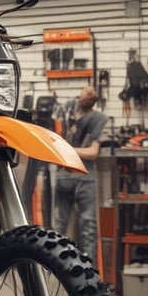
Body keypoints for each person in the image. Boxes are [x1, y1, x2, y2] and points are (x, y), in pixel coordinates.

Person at [53, 85, 108, 265]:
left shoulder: (97, 120)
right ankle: (56, 266)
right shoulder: (67, 119)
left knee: (86, 226)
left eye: (91, 94)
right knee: (61, 226)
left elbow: (93, 153)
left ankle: (87, 270)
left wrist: (67, 150)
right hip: (69, 176)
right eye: (86, 93)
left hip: (79, 175)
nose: (87, 96)